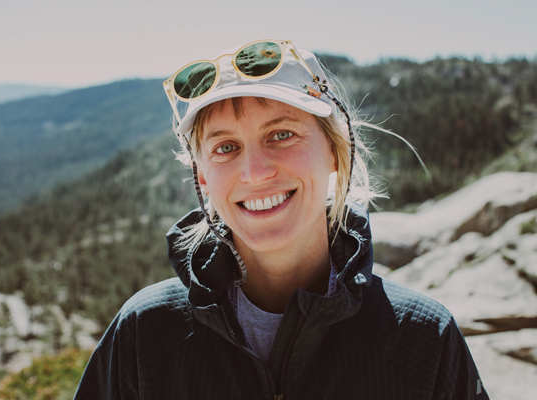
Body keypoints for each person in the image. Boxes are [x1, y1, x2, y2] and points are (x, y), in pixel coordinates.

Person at [74, 40, 488, 399]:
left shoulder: (421, 340)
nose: (255, 172)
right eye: (225, 147)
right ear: (202, 175)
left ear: (334, 149)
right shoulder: (145, 333)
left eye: (281, 135)